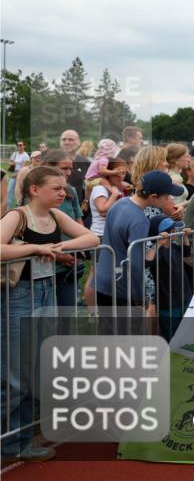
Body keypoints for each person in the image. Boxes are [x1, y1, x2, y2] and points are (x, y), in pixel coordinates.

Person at [1, 166, 98, 462]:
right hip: (19, 296)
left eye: (64, 187)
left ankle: (20, 441)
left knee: (33, 369)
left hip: (47, 292)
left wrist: (58, 247)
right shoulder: (17, 217)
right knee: (15, 374)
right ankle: (9, 440)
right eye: (56, 187)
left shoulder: (56, 216)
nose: (64, 192)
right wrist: (33, 248)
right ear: (34, 189)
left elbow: (91, 238)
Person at [95, 170, 182, 326]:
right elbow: (136, 264)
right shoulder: (140, 220)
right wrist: (140, 297)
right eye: (166, 196)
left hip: (104, 281)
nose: (169, 199)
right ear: (153, 196)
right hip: (122, 287)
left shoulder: (120, 203)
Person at [41, 149, 86, 312]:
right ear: (48, 166)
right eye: (64, 168)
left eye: (70, 168)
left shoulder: (71, 191)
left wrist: (80, 250)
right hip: (45, 265)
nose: (68, 173)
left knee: (67, 313)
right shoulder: (36, 194)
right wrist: (58, 255)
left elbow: (79, 224)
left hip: (69, 265)